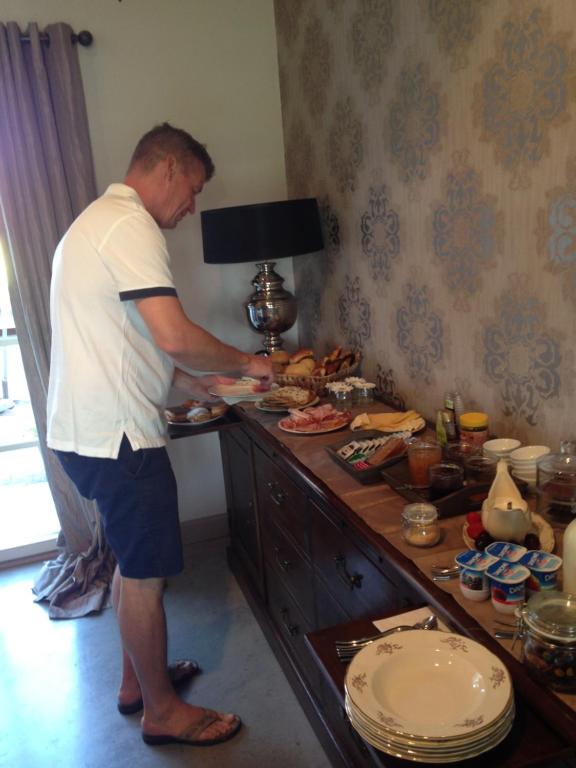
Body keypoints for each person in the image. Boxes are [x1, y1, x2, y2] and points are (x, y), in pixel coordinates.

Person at [46, 123, 273, 747]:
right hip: (119, 439)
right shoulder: (130, 226)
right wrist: (246, 363)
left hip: (81, 433)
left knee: (129, 559)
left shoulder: (94, 223)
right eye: (193, 189)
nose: (190, 206)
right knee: (147, 577)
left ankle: (135, 683)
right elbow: (172, 333)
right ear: (167, 168)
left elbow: (122, 339)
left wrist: (185, 384)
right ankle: (162, 711)